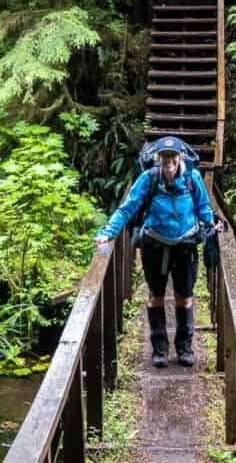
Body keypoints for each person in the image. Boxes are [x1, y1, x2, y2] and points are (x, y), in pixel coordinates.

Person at [95, 137, 222, 368]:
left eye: (172, 158)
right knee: (156, 297)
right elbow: (128, 207)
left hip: (185, 245)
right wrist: (108, 232)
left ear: (180, 158)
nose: (169, 162)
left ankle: (184, 348)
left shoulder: (192, 178)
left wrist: (212, 222)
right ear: (158, 158)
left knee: (184, 298)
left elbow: (203, 207)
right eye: (164, 158)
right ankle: (160, 349)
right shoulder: (149, 178)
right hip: (154, 245)